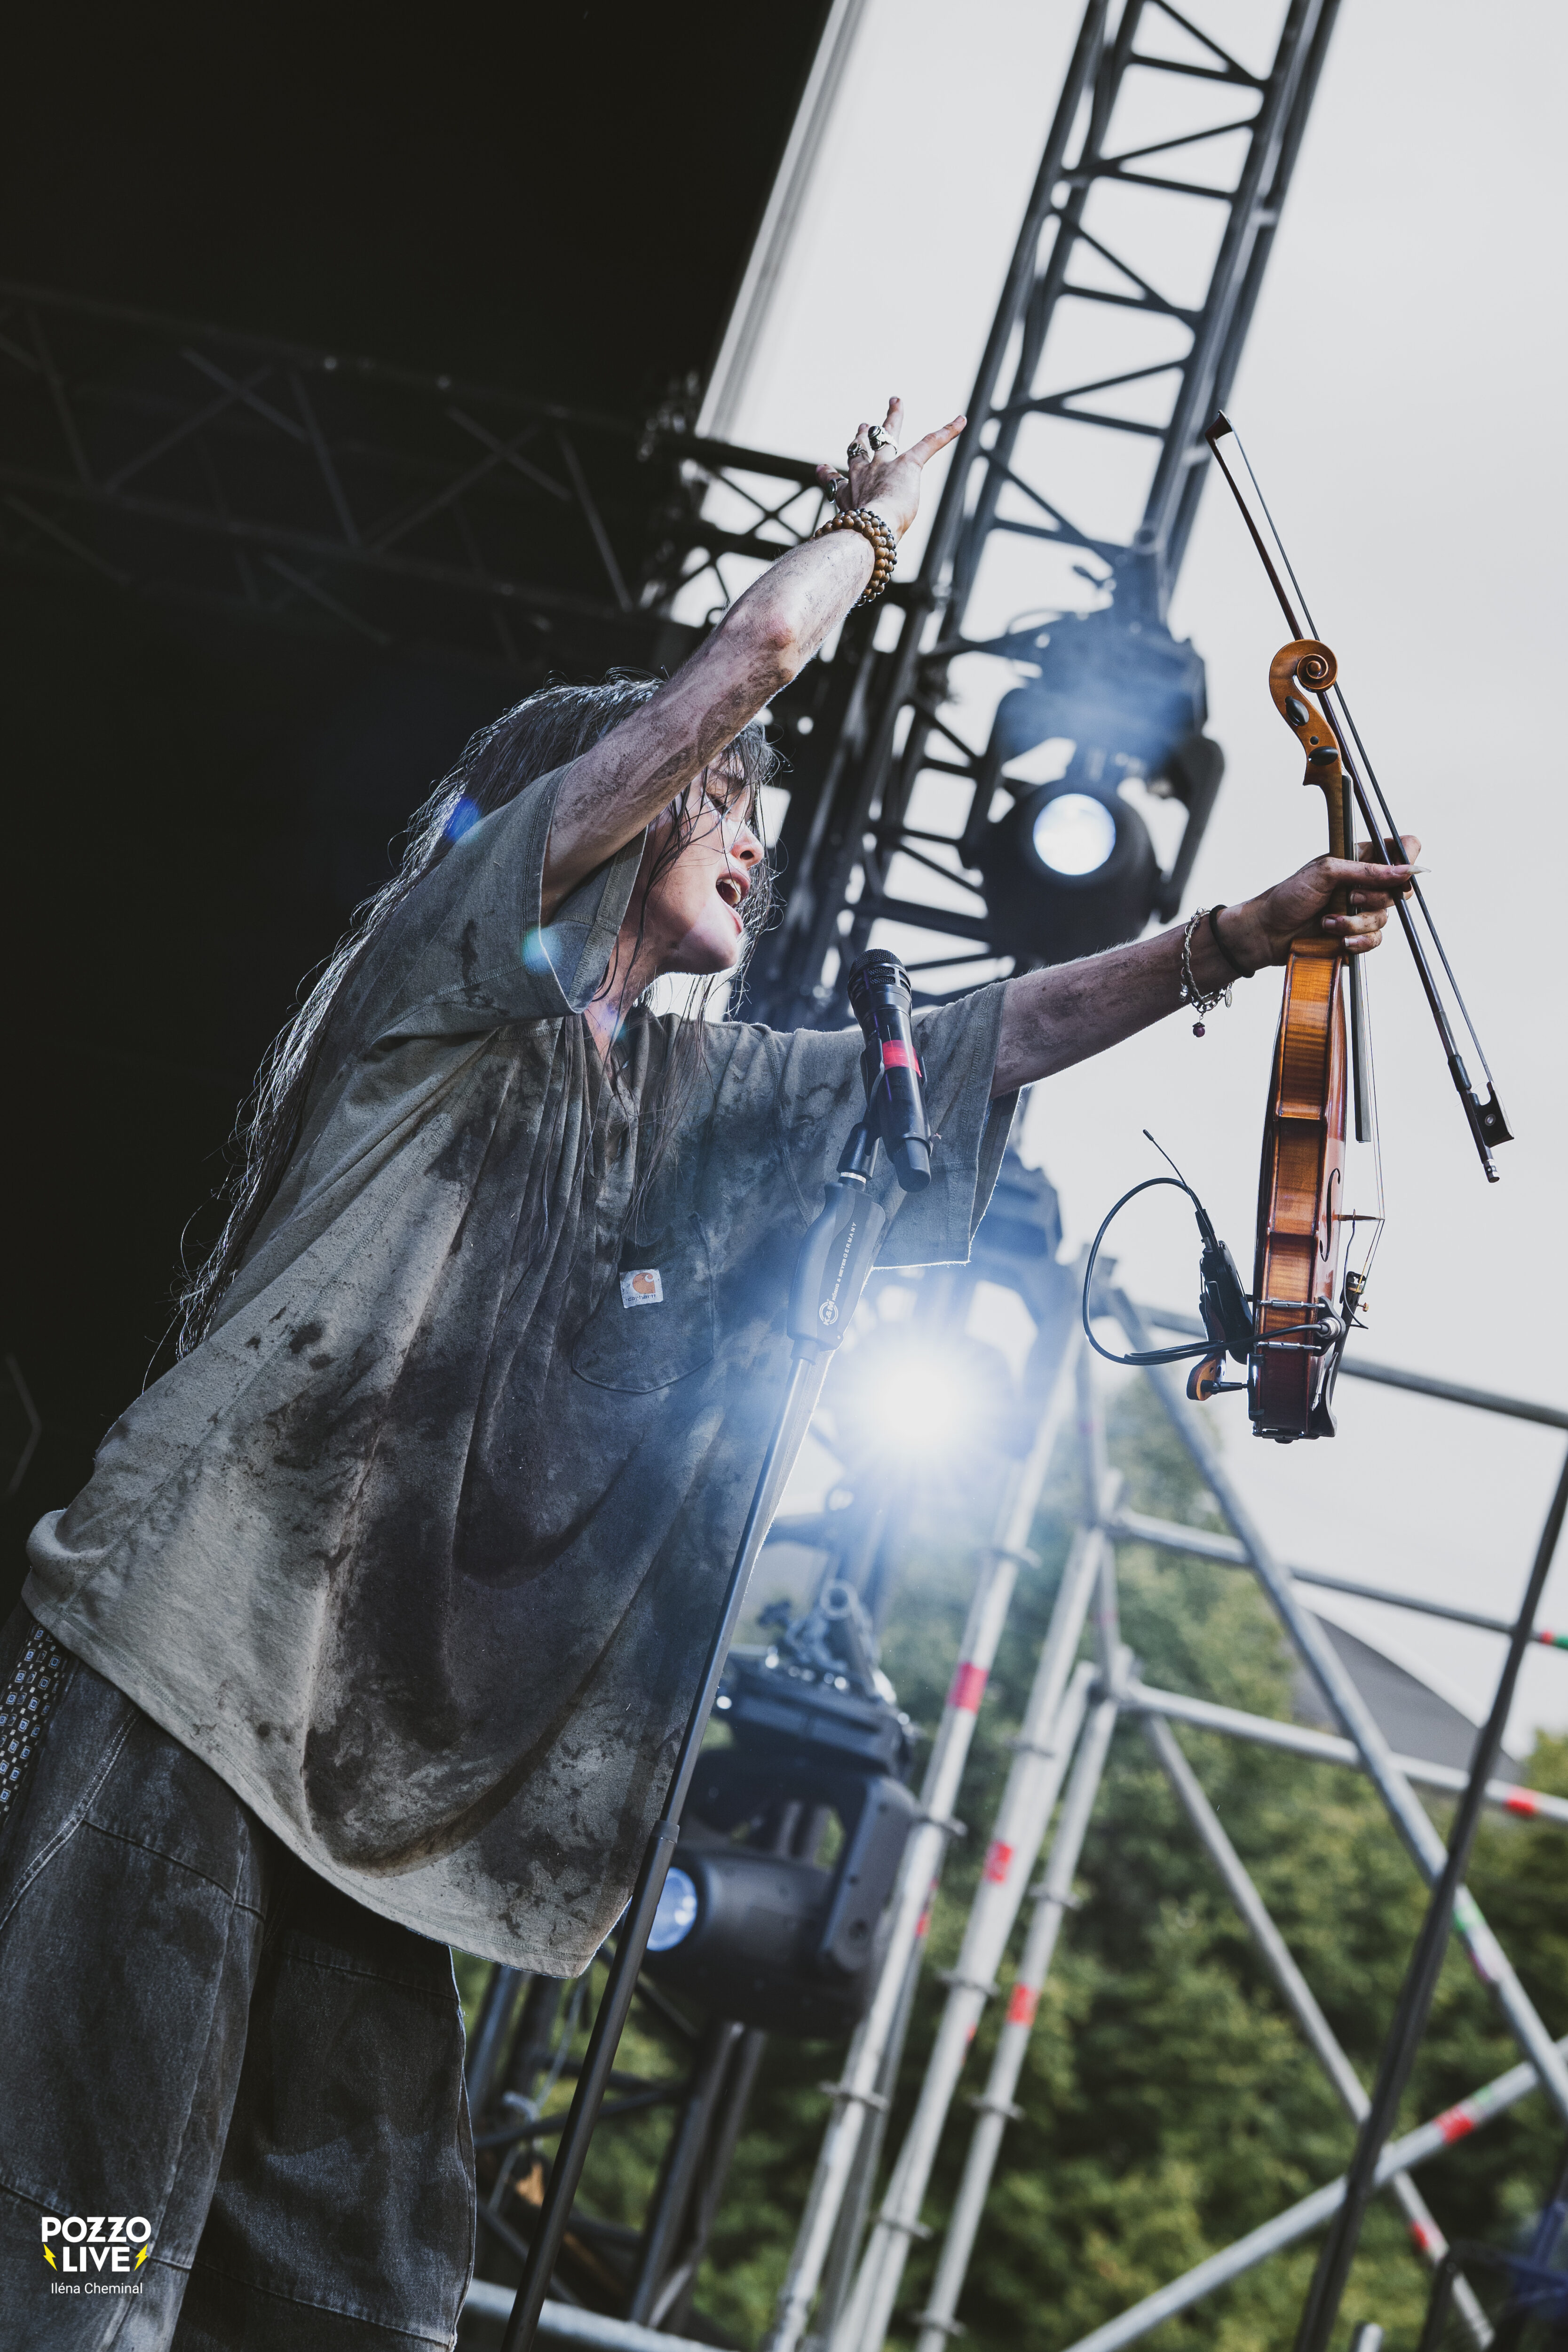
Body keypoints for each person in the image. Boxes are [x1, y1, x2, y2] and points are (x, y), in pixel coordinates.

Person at [0, 399, 1414, 2351]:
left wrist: (1238, 937)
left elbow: (972, 1044)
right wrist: (867, 537)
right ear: (618, 820)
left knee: (349, 2297)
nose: (749, 837)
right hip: (187, 1669)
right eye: (722, 806)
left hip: (366, 1783)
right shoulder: (453, 971)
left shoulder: (671, 1089)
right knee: (89, 2237)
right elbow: (736, 664)